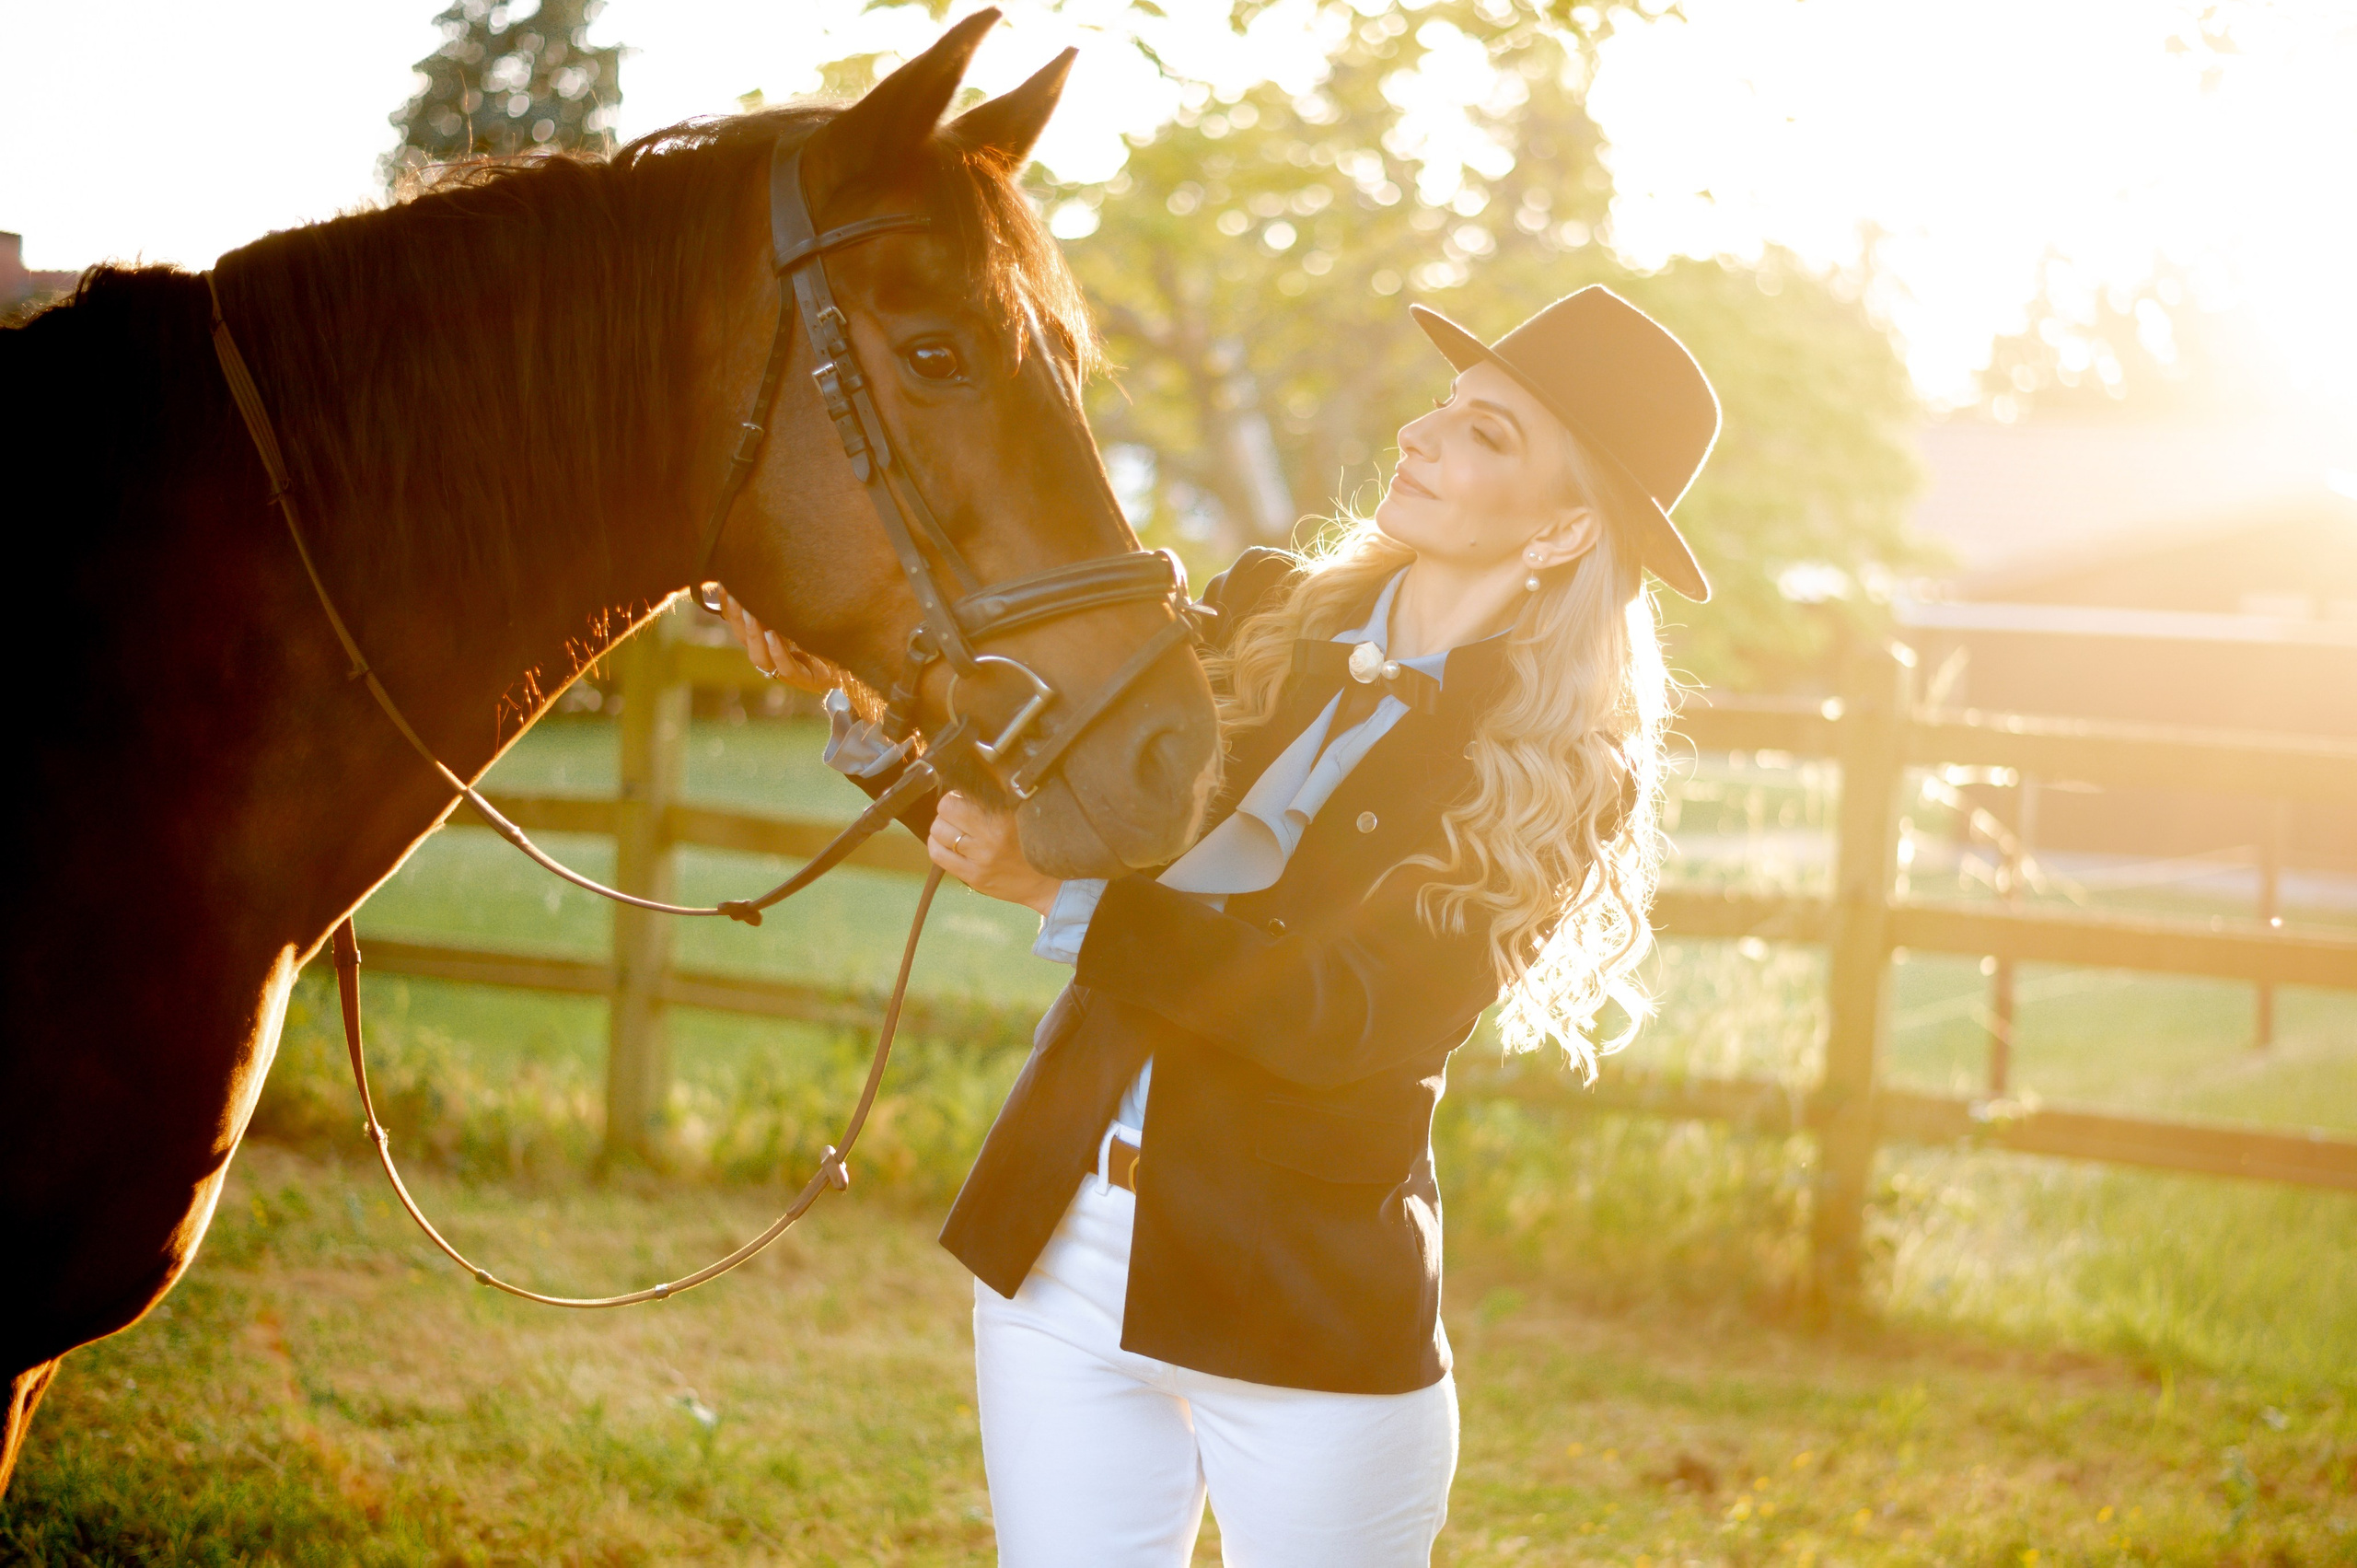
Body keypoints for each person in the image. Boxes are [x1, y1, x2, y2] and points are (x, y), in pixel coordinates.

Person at [724, 285, 1718, 1567]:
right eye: (1446, 407)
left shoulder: (1551, 776)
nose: (1421, 435)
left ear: (1566, 528)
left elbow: (1344, 1017)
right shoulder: (1263, 612)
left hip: (1301, 1313)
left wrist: (1059, 896)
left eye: (1488, 434)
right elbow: (1053, 777)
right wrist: (852, 684)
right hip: (1059, 1247)